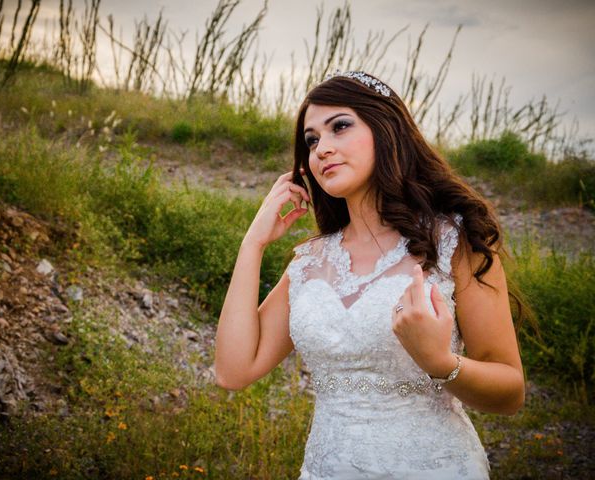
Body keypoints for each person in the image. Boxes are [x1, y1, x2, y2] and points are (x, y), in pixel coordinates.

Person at [214, 70, 525, 479]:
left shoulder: (454, 241)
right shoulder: (310, 262)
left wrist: (439, 361)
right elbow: (233, 371)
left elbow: (510, 392)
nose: (322, 148)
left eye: (339, 127)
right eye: (312, 140)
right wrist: (252, 244)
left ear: (386, 130)